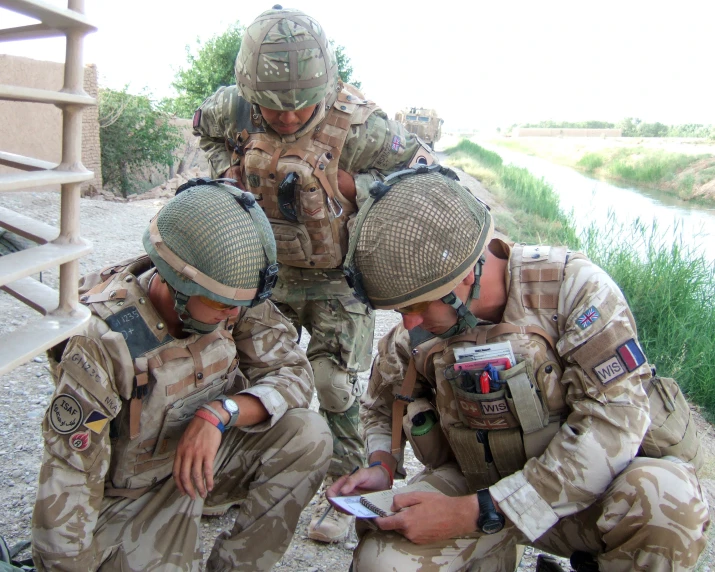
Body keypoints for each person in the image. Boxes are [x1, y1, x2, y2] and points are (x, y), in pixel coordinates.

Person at [329, 166, 709, 571]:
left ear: (462, 281)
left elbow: (614, 423)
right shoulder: (421, 330)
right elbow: (380, 405)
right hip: (473, 485)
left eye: (416, 308)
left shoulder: (573, 290)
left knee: (669, 500)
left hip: (582, 500)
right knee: (381, 561)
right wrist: (381, 464)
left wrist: (476, 512)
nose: (407, 324)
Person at [192, 5, 437, 542]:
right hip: (262, 273)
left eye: (298, 107)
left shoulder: (364, 128)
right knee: (242, 375)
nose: (284, 119)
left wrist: (357, 189)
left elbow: (424, 182)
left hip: (335, 279)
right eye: (271, 108)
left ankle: (346, 491)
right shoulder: (233, 108)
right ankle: (233, 480)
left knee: (331, 385)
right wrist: (224, 173)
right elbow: (204, 131)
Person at [31, 182, 332, 571]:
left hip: (209, 460)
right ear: (176, 284)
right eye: (221, 306)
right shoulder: (103, 340)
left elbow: (293, 374)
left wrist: (220, 413)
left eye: (238, 306)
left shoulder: (228, 295)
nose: (234, 316)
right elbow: (70, 477)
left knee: (307, 435)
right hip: (133, 496)